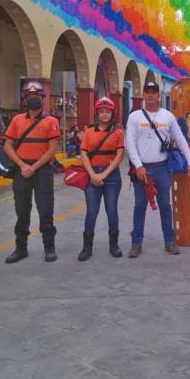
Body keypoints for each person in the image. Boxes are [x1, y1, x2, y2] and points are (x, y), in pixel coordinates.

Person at [125, 80, 190, 258]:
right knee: (140, 206)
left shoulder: (168, 116)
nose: (150, 94)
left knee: (165, 205)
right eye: (147, 91)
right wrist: (138, 166)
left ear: (159, 95)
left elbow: (180, 139)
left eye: (153, 91)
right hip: (142, 170)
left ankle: (169, 241)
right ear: (143, 95)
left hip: (162, 169)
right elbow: (129, 143)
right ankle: (136, 243)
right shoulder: (134, 117)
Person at [4, 81, 61, 264]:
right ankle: (21, 248)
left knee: (45, 209)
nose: (33, 98)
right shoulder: (17, 120)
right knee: (22, 209)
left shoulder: (51, 121)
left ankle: (49, 247)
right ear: (25, 99)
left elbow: (52, 149)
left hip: (42, 170)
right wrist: (22, 165)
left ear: (42, 99)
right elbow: (7, 146)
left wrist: (33, 167)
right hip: (21, 170)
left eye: (36, 95)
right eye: (29, 95)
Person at [77, 97, 126, 261]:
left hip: (111, 176)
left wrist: (103, 175)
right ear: (97, 113)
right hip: (92, 174)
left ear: (112, 113)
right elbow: (83, 153)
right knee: (91, 211)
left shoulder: (118, 133)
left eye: (108, 111)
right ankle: (87, 247)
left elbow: (119, 156)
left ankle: (114, 245)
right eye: (101, 111)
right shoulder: (89, 132)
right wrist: (92, 174)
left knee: (111, 210)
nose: (104, 114)